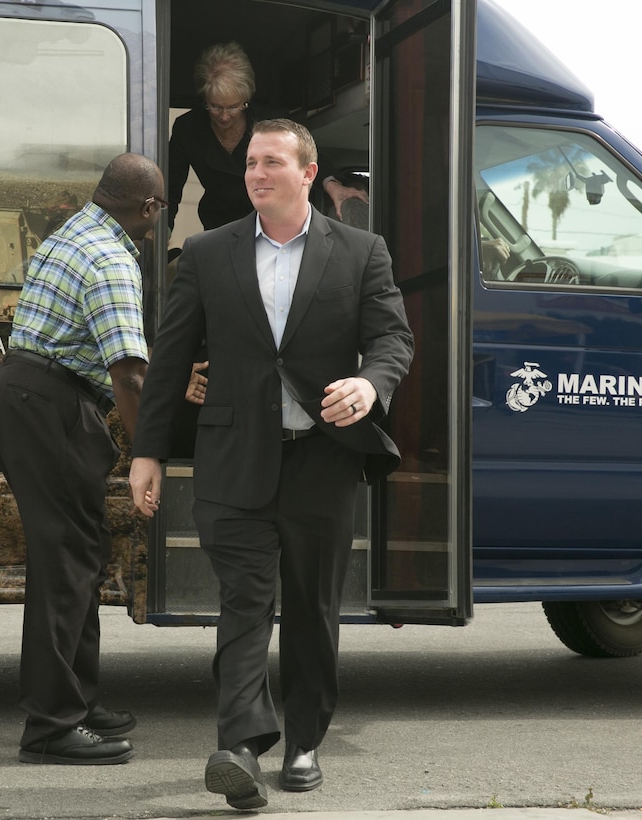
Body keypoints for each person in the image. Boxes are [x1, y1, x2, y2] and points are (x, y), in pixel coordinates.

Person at [129, 119, 414, 808]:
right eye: (251, 162)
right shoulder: (205, 252)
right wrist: (148, 450)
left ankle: (305, 740)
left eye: (271, 162)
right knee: (244, 604)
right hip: (235, 460)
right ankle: (238, 747)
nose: (256, 173)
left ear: (307, 173)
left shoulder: (360, 251)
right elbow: (168, 362)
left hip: (322, 460)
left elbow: (392, 339)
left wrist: (370, 384)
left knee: (314, 609)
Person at [0, 153, 166, 765]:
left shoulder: (76, 230)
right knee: (65, 560)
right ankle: (51, 725)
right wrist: (149, 452)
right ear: (147, 209)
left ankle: (79, 703)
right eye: (159, 208)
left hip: (32, 395)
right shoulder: (112, 258)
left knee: (79, 552)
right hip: (49, 403)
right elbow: (130, 376)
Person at [167, 42, 276, 232]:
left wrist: (330, 182)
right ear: (204, 98)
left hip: (268, 222)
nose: (224, 116)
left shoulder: (270, 124)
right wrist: (163, 229)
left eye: (234, 106)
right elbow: (170, 186)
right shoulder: (188, 128)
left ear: (246, 99)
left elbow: (303, 159)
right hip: (217, 224)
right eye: (215, 106)